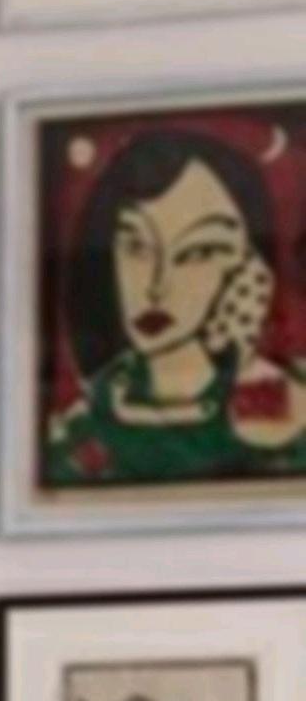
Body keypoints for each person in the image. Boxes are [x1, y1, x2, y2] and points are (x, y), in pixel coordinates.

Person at [45, 125, 306, 491]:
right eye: (136, 246)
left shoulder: (285, 400)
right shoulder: (77, 431)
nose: (157, 286)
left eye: (199, 251)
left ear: (249, 269)